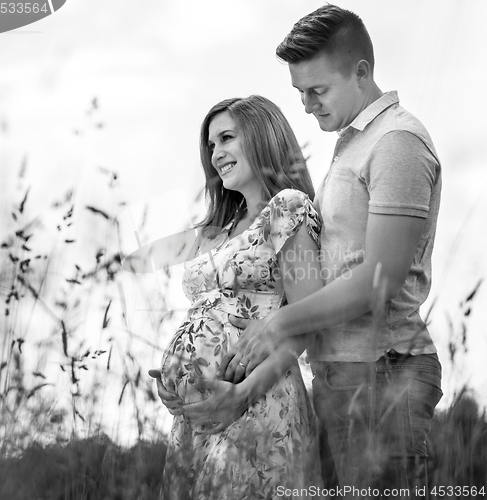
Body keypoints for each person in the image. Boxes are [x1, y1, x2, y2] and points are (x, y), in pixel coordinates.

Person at [178, 5, 443, 496]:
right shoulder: (352, 146)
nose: (305, 104)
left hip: (384, 374)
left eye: (317, 90)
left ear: (361, 72)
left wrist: (278, 323)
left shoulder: (397, 142)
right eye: (299, 92)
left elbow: (378, 282)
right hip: (340, 378)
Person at [151, 95, 324, 499]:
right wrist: (179, 377)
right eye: (210, 145)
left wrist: (243, 394)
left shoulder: (286, 209)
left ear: (262, 137)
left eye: (226, 138)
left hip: (256, 401)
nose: (216, 154)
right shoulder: (218, 228)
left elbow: (310, 319)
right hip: (197, 419)